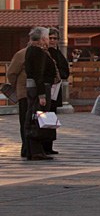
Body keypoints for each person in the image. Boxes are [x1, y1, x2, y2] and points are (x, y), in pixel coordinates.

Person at [23, 27, 59, 160]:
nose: (49, 40)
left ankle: (32, 150)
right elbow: (39, 74)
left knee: (33, 117)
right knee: (38, 118)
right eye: (48, 37)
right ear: (43, 38)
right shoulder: (38, 52)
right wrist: (42, 95)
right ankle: (36, 151)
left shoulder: (31, 50)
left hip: (35, 87)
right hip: (41, 88)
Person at [46, 28, 69, 155]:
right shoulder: (45, 53)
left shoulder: (58, 53)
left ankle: (49, 145)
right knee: (44, 117)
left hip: (56, 90)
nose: (53, 41)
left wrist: (59, 75)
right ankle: (44, 144)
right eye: (51, 38)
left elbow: (65, 70)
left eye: (55, 38)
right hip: (46, 90)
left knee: (52, 117)